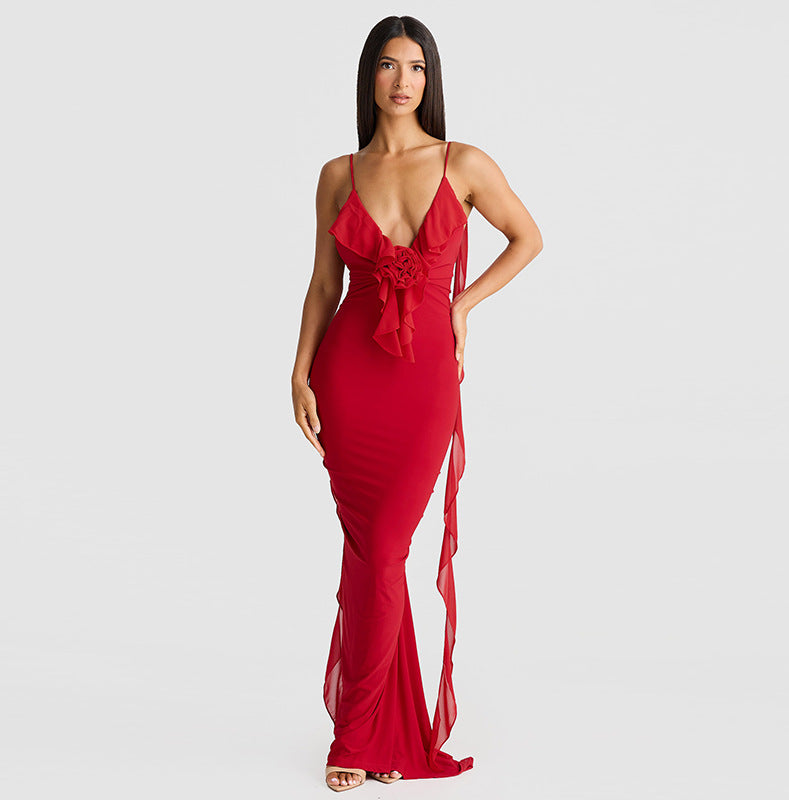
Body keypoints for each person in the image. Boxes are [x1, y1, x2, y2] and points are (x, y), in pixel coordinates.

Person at [291, 15, 543, 792]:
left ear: (431, 79)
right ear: (368, 77)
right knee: (372, 551)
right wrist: (298, 373)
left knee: (385, 548)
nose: (403, 81)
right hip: (348, 376)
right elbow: (323, 285)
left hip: (424, 380)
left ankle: (358, 733)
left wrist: (462, 304)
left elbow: (528, 238)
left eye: (417, 67)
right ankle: (374, 730)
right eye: (388, 65)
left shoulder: (463, 162)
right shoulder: (338, 174)